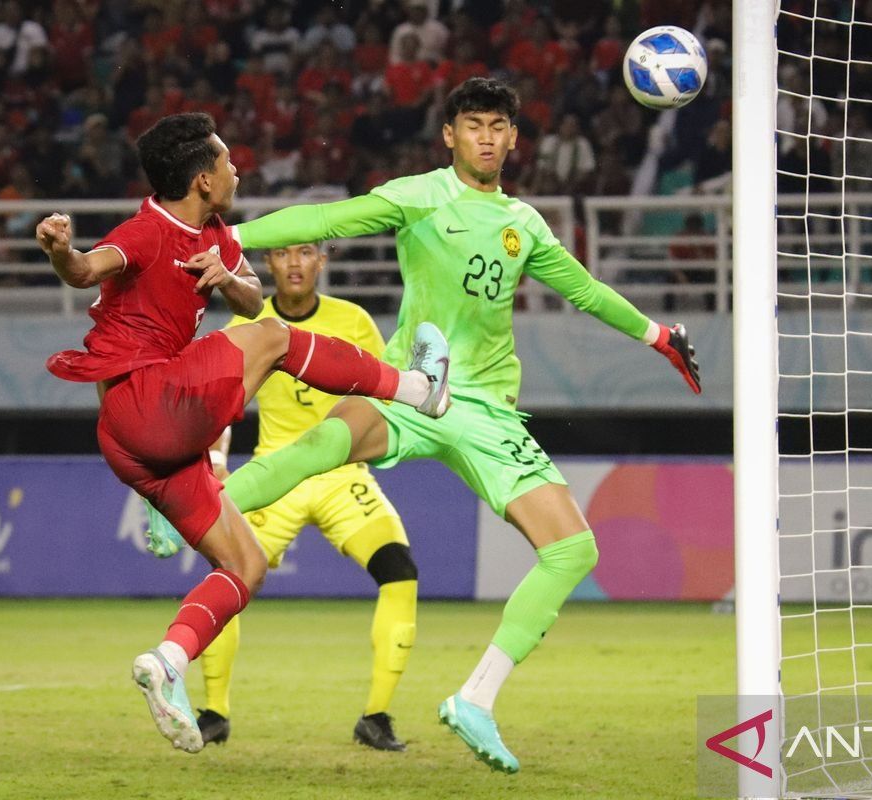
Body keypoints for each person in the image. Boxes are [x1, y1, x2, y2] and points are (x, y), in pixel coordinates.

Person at [150, 78, 701, 773]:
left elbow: (585, 291)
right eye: (474, 125)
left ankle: (476, 698)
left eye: (499, 126)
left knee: (573, 552)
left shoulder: (524, 225)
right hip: (417, 386)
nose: (488, 138)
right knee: (321, 442)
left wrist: (659, 336)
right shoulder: (419, 195)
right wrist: (230, 244)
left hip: (486, 410)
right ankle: (184, 512)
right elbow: (325, 219)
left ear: (514, 137)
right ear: (450, 135)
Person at [36, 112, 450, 755]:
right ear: (203, 179)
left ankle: (168, 662)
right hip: (148, 401)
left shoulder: (217, 235)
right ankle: (418, 389)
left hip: (132, 446)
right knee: (278, 339)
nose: (238, 169)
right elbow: (90, 269)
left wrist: (226, 277)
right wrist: (62, 250)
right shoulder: (150, 229)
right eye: (228, 162)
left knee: (245, 565)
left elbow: (252, 300)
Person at [194, 242, 419, 752]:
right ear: (268, 264)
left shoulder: (354, 319)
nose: (294, 263)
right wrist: (217, 463)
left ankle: (376, 716)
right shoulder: (245, 324)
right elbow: (219, 407)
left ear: (322, 261)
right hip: (277, 473)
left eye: (306, 253)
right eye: (282, 254)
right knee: (226, 580)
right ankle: (214, 712)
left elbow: (384, 394)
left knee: (399, 571)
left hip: (342, 475)